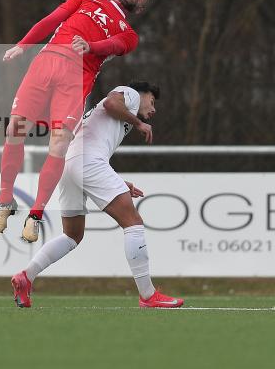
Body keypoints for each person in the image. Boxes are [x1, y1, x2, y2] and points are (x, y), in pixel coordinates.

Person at [0, 0, 150, 244]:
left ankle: (36, 214)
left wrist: (91, 46)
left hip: (77, 77)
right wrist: (24, 44)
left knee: (59, 144)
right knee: (15, 131)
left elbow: (112, 45)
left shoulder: (129, 34)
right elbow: (54, 18)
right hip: (46, 63)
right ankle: (4, 201)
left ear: (140, 7)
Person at [10, 81, 184, 309]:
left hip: (68, 165)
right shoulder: (130, 95)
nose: (153, 109)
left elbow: (92, 147)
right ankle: (148, 295)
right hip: (86, 163)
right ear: (141, 94)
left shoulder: (118, 115)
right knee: (133, 223)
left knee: (72, 235)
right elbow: (112, 103)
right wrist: (139, 123)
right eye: (152, 101)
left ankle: (26, 276)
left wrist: (120, 182)